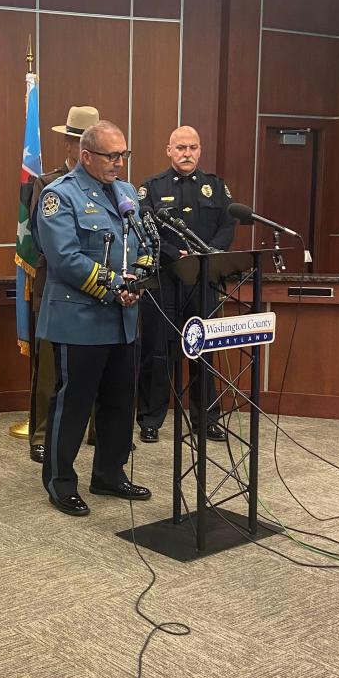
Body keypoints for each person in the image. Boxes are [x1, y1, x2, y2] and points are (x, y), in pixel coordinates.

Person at [34, 119, 153, 517]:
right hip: (80, 319)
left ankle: (109, 472)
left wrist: (139, 276)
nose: (120, 162)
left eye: (124, 154)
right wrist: (113, 284)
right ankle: (60, 481)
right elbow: (64, 257)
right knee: (74, 403)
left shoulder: (127, 194)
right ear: (86, 156)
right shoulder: (59, 196)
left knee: (119, 400)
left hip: (123, 316)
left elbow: (145, 242)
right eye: (112, 155)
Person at [136, 125, 235, 444]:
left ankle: (206, 418)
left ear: (200, 150)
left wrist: (207, 253)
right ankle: (150, 419)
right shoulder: (151, 187)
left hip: (203, 280)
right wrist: (172, 253)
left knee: (204, 350)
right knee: (158, 352)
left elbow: (227, 225)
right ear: (169, 151)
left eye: (193, 147)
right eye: (180, 148)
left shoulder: (216, 187)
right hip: (165, 280)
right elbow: (145, 227)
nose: (187, 153)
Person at [27, 104, 96, 465]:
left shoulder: (112, 188)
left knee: (99, 361)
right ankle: (41, 434)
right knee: (52, 368)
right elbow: (45, 242)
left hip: (100, 291)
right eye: (82, 142)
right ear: (70, 146)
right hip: (58, 287)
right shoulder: (49, 184)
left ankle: (96, 430)